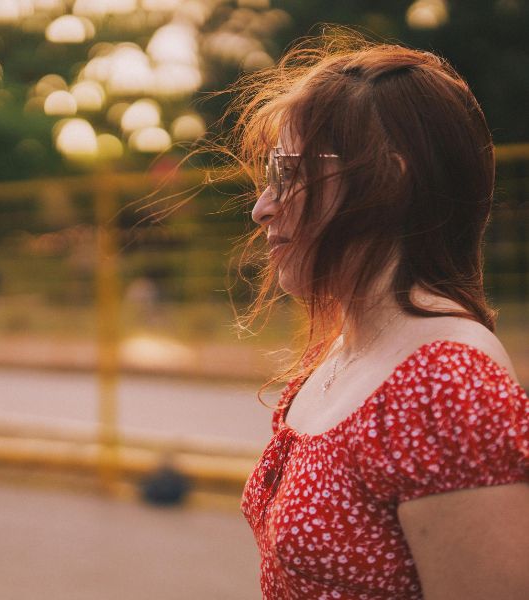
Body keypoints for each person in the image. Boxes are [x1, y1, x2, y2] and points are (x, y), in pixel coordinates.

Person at [221, 35, 529, 599]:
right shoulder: (345, 349)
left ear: (388, 181)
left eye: (290, 172)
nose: (262, 205)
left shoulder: (443, 382)